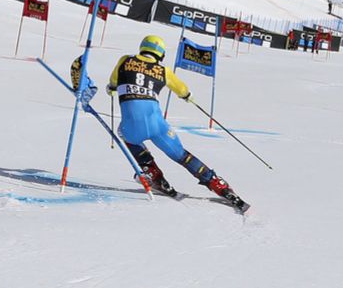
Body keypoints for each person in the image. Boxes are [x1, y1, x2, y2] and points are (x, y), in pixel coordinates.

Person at [106, 35, 248, 212]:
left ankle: (151, 171)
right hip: (158, 126)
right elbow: (182, 90)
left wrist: (112, 89)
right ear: (161, 54)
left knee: (122, 132)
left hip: (132, 128)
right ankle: (216, 182)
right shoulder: (163, 70)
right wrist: (188, 96)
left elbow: (112, 83)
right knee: (182, 156)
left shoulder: (125, 60)